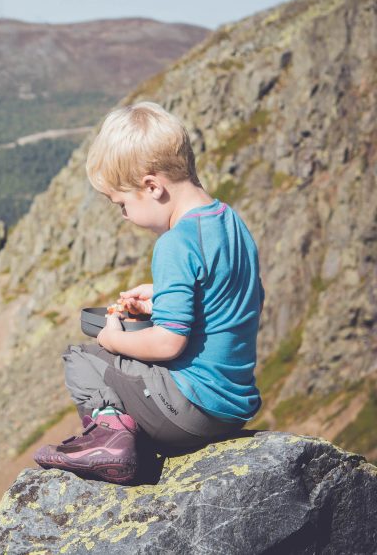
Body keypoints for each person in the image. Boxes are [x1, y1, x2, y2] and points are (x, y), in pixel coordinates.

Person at [33, 101, 263, 484]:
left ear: (152, 186)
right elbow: (239, 294)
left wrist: (113, 339)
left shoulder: (175, 243)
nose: (124, 215)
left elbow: (168, 344)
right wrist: (163, 298)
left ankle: (109, 442)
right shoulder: (229, 220)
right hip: (232, 408)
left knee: (82, 358)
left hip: (191, 413)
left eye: (122, 204)